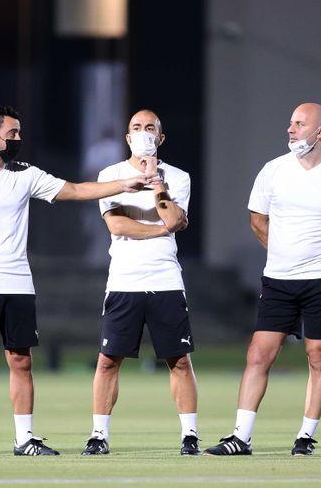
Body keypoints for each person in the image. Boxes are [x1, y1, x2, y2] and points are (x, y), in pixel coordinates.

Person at [0, 106, 154, 457]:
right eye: (13, 133)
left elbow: (76, 190)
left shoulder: (25, 174)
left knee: (21, 361)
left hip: (18, 285)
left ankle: (25, 438)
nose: (19, 140)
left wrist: (125, 183)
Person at [205, 103, 321, 457]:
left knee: (318, 356)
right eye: (290, 122)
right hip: (278, 280)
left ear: (320, 132)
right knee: (258, 354)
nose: (290, 129)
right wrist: (283, 251)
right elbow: (257, 220)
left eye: (299, 124)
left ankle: (306, 436)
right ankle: (240, 437)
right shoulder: (273, 171)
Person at [80, 110, 196, 456]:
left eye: (150, 128)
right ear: (127, 138)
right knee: (108, 360)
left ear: (160, 138)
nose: (143, 133)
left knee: (178, 360)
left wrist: (157, 183)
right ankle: (99, 435)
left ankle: (189, 435)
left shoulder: (178, 177)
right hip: (124, 280)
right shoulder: (111, 175)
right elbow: (118, 226)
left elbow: (175, 217)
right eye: (136, 128)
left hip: (165, 279)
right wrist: (162, 229)